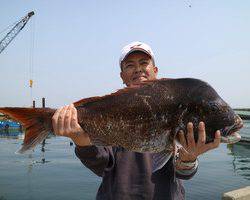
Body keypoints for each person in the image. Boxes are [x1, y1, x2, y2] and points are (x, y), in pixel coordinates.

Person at [52, 41, 221, 200]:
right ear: (122, 76)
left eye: (143, 63)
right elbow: (101, 166)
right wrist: (81, 141)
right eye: (130, 65)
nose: (138, 69)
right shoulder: (112, 109)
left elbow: (185, 173)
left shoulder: (176, 106)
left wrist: (188, 158)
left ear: (155, 70)